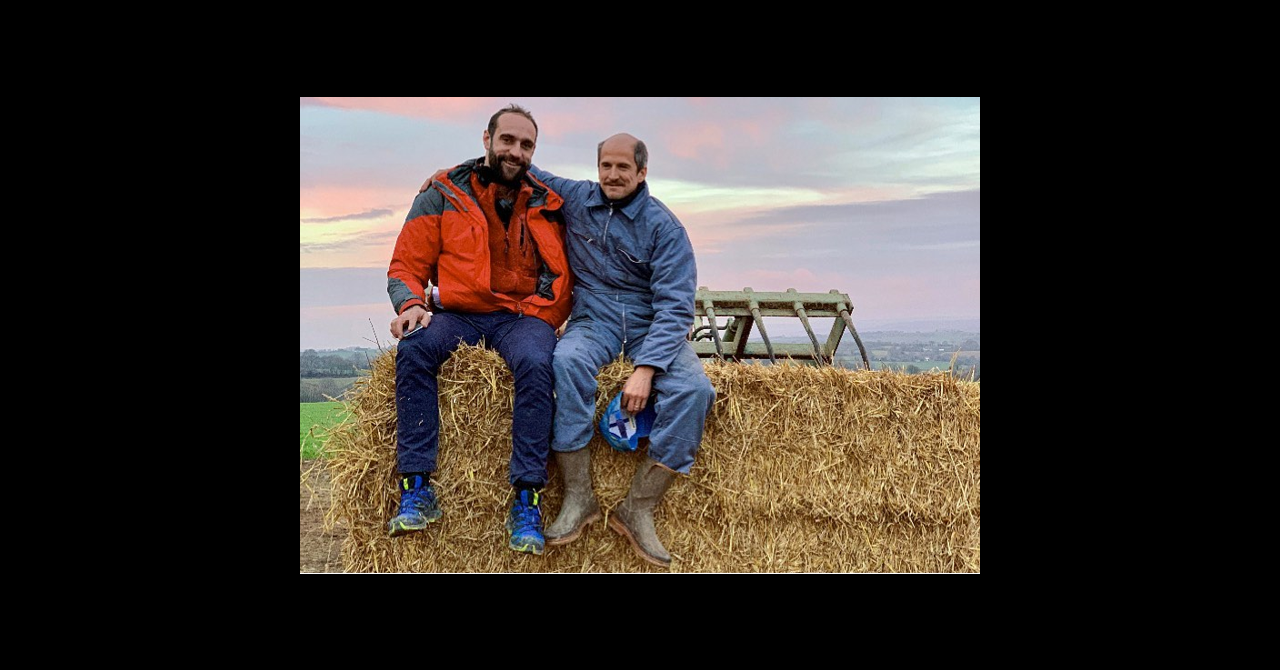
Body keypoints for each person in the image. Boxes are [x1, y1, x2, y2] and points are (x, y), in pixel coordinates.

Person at [386, 104, 571, 556]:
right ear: (486, 140)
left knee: (535, 362)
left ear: (534, 152)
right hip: (458, 314)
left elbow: (563, 275)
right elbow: (406, 265)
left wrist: (541, 316)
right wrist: (411, 304)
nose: (516, 151)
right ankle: (417, 488)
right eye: (507, 140)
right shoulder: (442, 193)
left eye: (526, 144)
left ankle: (527, 501)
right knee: (414, 350)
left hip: (519, 317)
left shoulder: (548, 200)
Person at [531, 134, 715, 568]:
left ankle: (638, 507)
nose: (613, 175)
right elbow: (519, 167)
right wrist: (451, 176)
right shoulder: (577, 197)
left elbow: (675, 307)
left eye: (623, 168)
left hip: (652, 324)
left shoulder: (664, 228)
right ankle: (579, 497)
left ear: (642, 173)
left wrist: (647, 368)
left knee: (695, 392)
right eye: (606, 166)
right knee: (566, 362)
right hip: (594, 318)